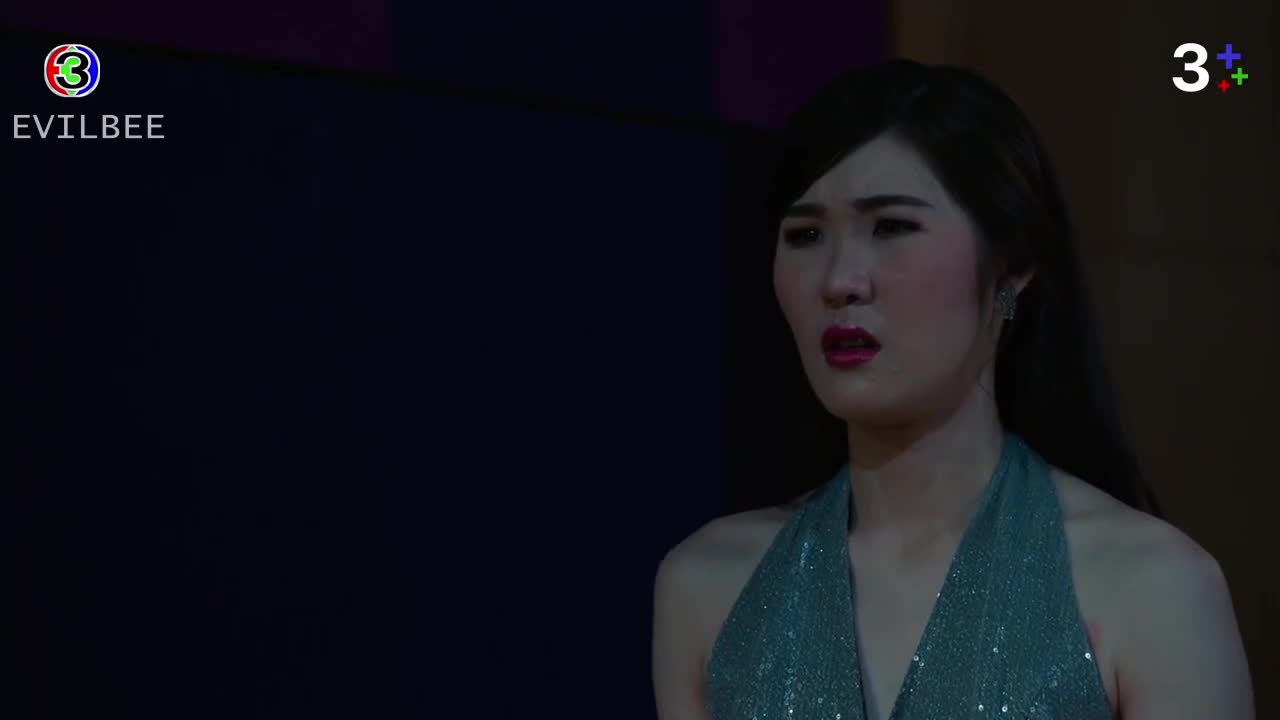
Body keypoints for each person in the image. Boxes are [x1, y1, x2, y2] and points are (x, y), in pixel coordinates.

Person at [652, 60, 1253, 720]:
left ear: (1012, 265)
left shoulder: (1151, 585)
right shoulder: (709, 583)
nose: (840, 280)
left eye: (892, 226)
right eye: (805, 235)